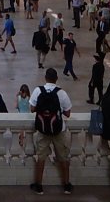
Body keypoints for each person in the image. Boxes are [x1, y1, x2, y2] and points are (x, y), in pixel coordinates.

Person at [29, 67, 74, 195]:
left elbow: (32, 109)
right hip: (58, 130)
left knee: (41, 158)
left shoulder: (38, 90)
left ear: (45, 78)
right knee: (63, 157)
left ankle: (38, 185)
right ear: (56, 79)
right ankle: (66, 185)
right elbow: (68, 113)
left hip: (43, 130)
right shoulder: (62, 93)